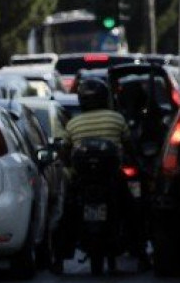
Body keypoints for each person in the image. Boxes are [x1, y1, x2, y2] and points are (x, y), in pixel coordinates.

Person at [54, 77, 146, 272]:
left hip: (82, 180)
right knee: (131, 212)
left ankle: (59, 259)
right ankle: (142, 255)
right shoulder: (116, 119)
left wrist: (68, 167)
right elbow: (130, 146)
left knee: (67, 216)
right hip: (112, 179)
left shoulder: (73, 124)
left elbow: (64, 151)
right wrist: (139, 163)